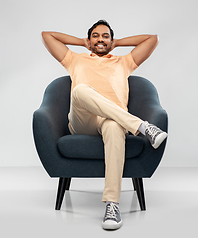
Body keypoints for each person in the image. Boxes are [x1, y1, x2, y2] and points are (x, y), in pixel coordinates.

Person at [41, 20, 168, 230]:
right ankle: (143, 127)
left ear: (111, 40)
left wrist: (117, 43)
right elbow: (47, 35)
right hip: (83, 121)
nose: (100, 39)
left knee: (113, 125)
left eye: (105, 36)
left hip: (113, 121)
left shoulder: (124, 62)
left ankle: (112, 205)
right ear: (90, 39)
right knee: (80, 90)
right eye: (96, 36)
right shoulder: (75, 59)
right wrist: (81, 42)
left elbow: (151, 39)